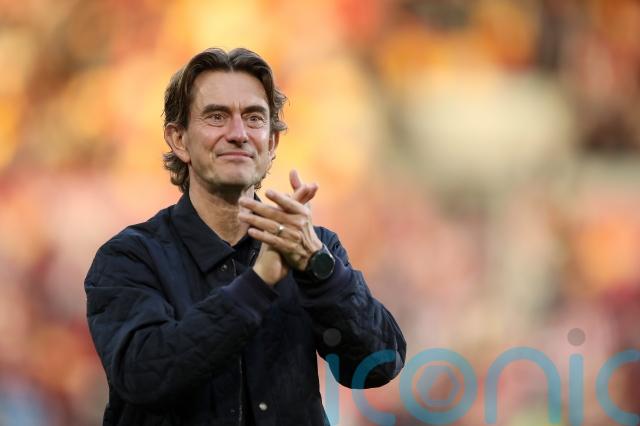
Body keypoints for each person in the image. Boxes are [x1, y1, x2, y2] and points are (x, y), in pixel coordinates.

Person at [84, 47, 406, 426]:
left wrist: (320, 270)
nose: (238, 134)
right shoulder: (129, 258)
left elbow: (377, 366)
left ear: (271, 144)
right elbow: (144, 376)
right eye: (216, 116)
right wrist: (258, 283)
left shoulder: (313, 248)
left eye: (254, 118)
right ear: (179, 140)